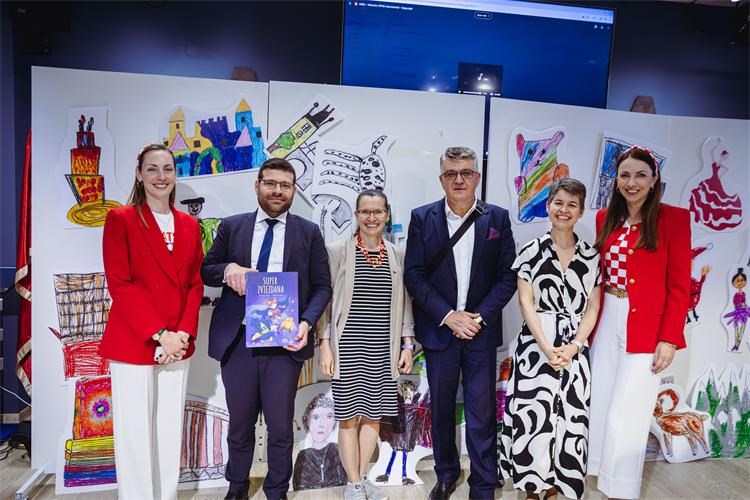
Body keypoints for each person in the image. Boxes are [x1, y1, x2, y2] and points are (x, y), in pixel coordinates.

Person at [201, 158, 332, 500]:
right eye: (271, 183)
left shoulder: (309, 232)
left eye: (285, 185)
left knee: (280, 426)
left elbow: (322, 287)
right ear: (257, 185)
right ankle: (237, 488)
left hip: (285, 342)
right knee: (240, 424)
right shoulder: (232, 227)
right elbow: (206, 270)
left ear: (294, 191)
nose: (278, 190)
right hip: (238, 342)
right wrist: (229, 268)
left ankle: (276, 490)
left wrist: (306, 322)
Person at [404, 146, 517, 500]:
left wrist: (477, 317)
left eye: (466, 172)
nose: (459, 180)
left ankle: (482, 483)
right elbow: (414, 275)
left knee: (482, 412)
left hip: (480, 332)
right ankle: (446, 474)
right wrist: (449, 316)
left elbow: (508, 276)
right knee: (441, 410)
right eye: (451, 173)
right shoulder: (422, 218)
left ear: (477, 177)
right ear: (441, 179)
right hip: (440, 331)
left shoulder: (497, 218)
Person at [100, 143, 204, 500]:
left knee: (168, 429)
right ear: (139, 175)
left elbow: (194, 283)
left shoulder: (189, 225)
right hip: (136, 339)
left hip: (177, 343)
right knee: (134, 433)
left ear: (175, 175)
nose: (161, 176)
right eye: (152, 169)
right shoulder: (121, 219)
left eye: (168, 169)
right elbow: (120, 284)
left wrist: (182, 334)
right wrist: (160, 334)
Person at [588, 145, 691, 499]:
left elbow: (680, 286)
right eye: (625, 175)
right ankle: (600, 473)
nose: (632, 183)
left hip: (647, 324)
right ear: (616, 180)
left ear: (654, 178)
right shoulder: (605, 218)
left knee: (629, 408)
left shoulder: (674, 219)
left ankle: (622, 487)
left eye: (640, 175)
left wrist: (670, 338)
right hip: (607, 319)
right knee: (602, 398)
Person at [499, 179, 601, 500]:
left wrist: (575, 345)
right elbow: (525, 301)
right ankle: (532, 487)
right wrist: (545, 346)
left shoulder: (592, 256)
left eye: (572, 205)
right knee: (534, 418)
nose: (564, 210)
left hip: (575, 348)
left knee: (569, 418)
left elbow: (593, 306)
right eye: (558, 202)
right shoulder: (531, 251)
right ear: (548, 206)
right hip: (535, 346)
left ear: (581, 212)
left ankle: (557, 486)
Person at [318, 188, 415, 500]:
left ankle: (359, 480)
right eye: (365, 212)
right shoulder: (337, 251)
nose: (371, 218)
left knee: (373, 415)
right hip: (347, 347)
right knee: (349, 418)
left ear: (387, 215)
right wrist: (325, 343)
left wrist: (407, 344)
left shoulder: (397, 255)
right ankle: (354, 483)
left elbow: (405, 303)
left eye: (377, 212)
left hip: (383, 349)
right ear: (356, 215)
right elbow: (325, 302)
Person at [292, 394, 347, 490]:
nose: (322, 424)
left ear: (335, 421)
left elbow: (342, 483)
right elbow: (299, 488)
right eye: (316, 417)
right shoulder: (303, 456)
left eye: (329, 417)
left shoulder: (337, 450)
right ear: (306, 420)